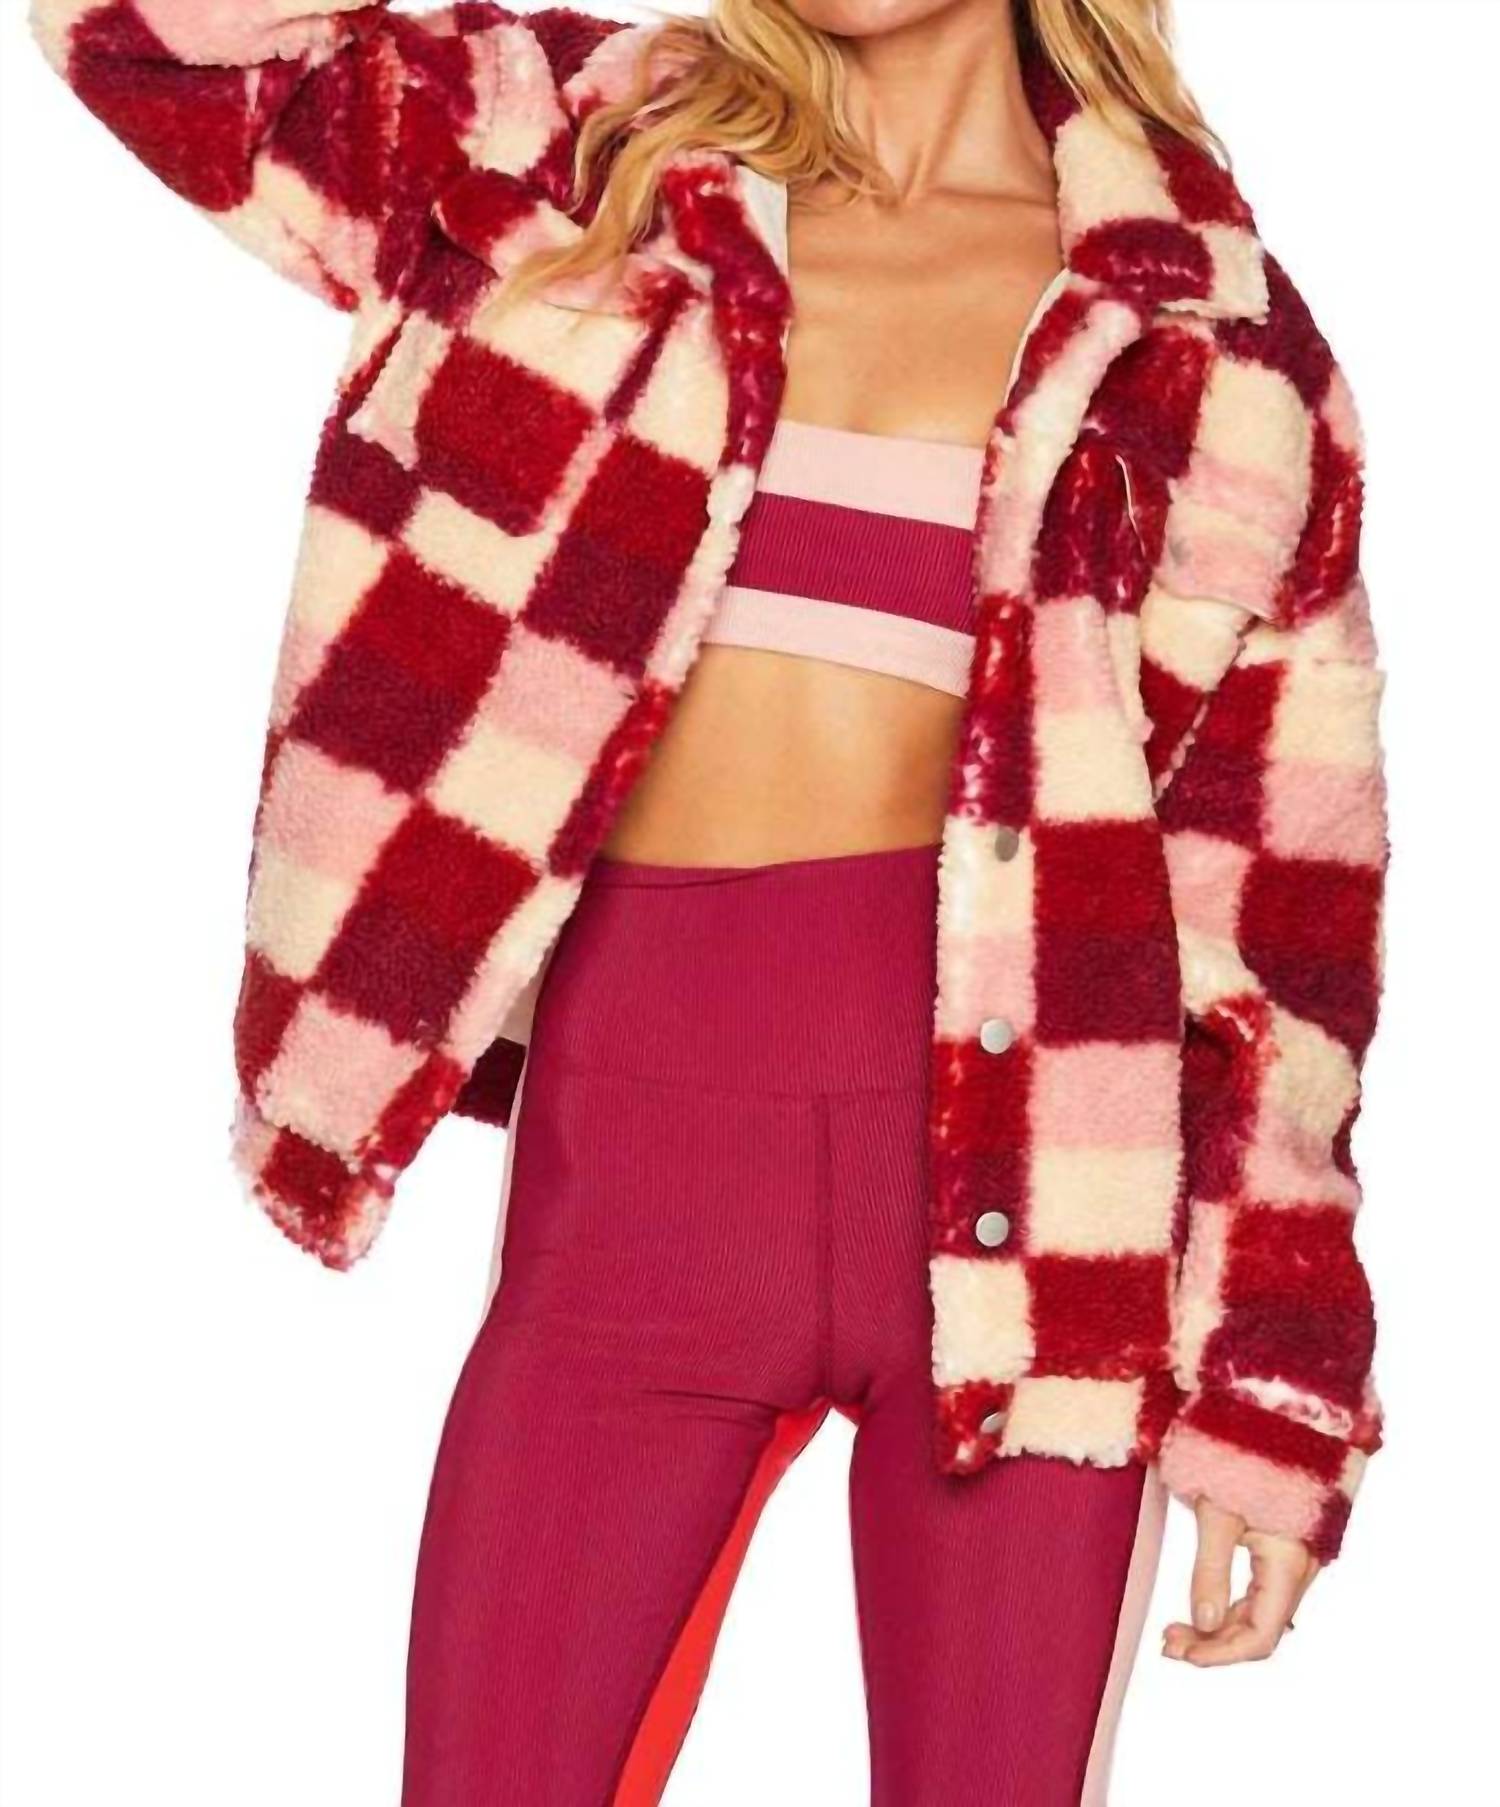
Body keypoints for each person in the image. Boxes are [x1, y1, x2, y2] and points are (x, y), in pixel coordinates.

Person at [28, 0, 1388, 1798]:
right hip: (635, 1201)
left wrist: (1276, 1388)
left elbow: (1280, 925)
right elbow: (138, 35)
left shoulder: (1211, 336)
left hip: (1040, 1227)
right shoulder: (572, 152)